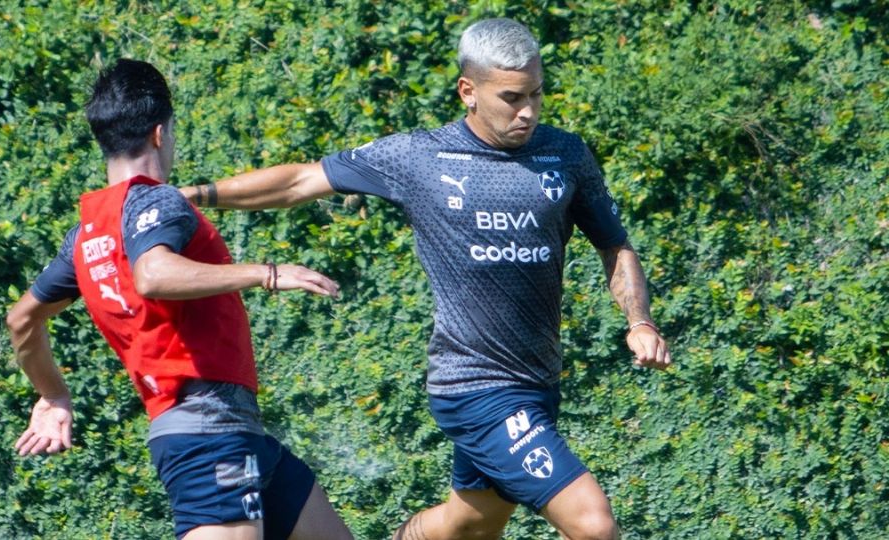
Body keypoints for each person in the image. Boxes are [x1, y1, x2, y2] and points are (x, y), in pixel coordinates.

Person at [182, 18, 671, 540]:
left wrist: (638, 320)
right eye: (511, 97)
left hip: (538, 383)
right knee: (594, 524)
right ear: (468, 90)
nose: (527, 110)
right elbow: (302, 180)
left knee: (469, 525)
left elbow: (614, 245)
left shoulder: (565, 154)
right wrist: (194, 195)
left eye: (536, 93)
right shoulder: (419, 157)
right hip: (474, 386)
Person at [5, 58, 354, 540]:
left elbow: (22, 319)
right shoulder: (159, 200)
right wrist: (266, 273)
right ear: (159, 133)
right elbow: (153, 274)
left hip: (234, 430)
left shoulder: (87, 237)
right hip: (208, 434)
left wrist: (54, 394)